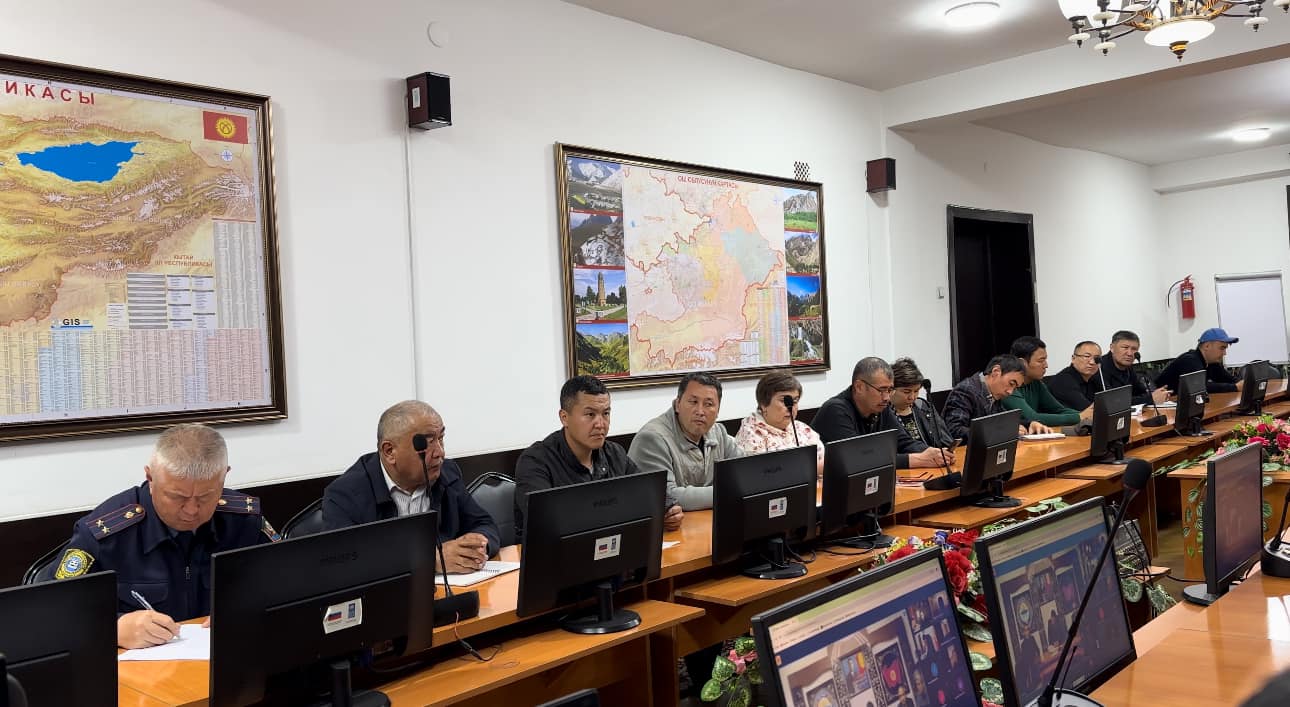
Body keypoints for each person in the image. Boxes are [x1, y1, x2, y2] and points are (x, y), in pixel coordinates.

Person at [38, 424, 277, 649]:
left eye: (205, 497)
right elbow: (46, 611)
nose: (191, 510)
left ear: (225, 476)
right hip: (135, 674)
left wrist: (251, 607)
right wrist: (113, 629)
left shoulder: (244, 522)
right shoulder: (108, 535)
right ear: (150, 478)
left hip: (227, 661)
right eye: (177, 497)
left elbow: (287, 582)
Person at [322, 400, 500, 573]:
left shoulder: (446, 473)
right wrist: (428, 560)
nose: (440, 452)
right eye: (427, 443)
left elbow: (483, 524)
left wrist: (477, 548)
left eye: (441, 439)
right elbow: (345, 563)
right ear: (389, 451)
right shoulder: (345, 494)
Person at [515, 375, 683, 538]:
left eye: (606, 413)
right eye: (590, 414)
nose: (600, 424)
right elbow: (546, 523)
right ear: (564, 418)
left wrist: (668, 510)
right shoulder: (536, 461)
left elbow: (649, 490)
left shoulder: (614, 453)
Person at [629, 372, 742, 511]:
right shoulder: (652, 438)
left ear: (718, 411)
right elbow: (667, 497)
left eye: (708, 404)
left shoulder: (718, 433)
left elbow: (745, 472)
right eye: (693, 402)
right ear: (677, 404)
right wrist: (728, 491)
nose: (700, 411)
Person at [811, 357, 952, 469]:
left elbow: (903, 442)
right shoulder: (836, 410)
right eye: (881, 390)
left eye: (890, 390)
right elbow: (858, 459)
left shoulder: (880, 406)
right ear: (859, 387)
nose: (886, 397)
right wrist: (916, 460)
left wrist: (935, 454)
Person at [942, 354, 1053, 441]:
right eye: (1011, 383)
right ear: (996, 372)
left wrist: (1030, 424)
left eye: (1015, 388)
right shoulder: (965, 391)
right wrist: (1000, 432)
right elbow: (954, 430)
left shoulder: (994, 393)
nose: (1010, 392)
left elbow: (1004, 421)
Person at [734, 369, 825, 474]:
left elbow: (825, 459)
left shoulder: (801, 428)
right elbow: (765, 475)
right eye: (784, 401)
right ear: (763, 404)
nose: (791, 407)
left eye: (795, 401)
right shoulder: (751, 435)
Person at [1002, 336, 1088, 427]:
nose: (1046, 365)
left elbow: (1058, 410)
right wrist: (1079, 417)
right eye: (1041, 361)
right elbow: (1032, 417)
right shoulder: (1009, 386)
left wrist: (1087, 415)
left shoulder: (1036, 382)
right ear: (1022, 363)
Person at [890, 357, 955, 449]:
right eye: (906, 392)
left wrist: (946, 450)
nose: (912, 397)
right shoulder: (883, 414)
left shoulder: (923, 406)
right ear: (891, 389)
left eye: (916, 391)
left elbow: (946, 440)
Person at [1153, 327, 1240, 394]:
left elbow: (1231, 380)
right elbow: (1200, 387)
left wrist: (1242, 384)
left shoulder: (1211, 363)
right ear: (1207, 346)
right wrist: (1235, 387)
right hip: (1160, 406)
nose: (1225, 353)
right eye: (1222, 348)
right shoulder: (1190, 360)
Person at [1100, 330, 1171, 407]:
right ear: (1112, 348)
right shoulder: (1099, 368)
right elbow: (1113, 402)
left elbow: (1140, 392)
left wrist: (1158, 394)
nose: (1130, 353)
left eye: (1134, 349)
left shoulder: (1128, 366)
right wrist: (1150, 399)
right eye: (1125, 347)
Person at [1047, 340, 1106, 411]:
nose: (1092, 362)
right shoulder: (1063, 381)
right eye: (1087, 356)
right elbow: (1088, 410)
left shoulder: (1095, 377)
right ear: (1073, 358)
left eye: (1097, 358)